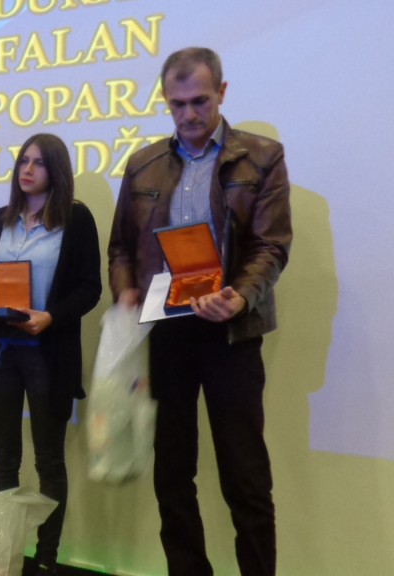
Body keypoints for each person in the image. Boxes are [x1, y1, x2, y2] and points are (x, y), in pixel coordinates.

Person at [108, 47, 292, 576]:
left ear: (222, 93)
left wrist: (239, 295)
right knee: (172, 474)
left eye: (200, 101)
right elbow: (121, 248)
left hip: (231, 332)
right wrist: (125, 291)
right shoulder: (143, 162)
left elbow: (271, 245)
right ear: (166, 100)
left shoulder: (262, 157)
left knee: (245, 477)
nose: (188, 114)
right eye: (178, 103)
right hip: (166, 335)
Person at [0, 133, 101, 575]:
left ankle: (46, 558)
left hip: (48, 355)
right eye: (23, 160)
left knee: (49, 461)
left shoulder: (76, 219)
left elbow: (89, 288)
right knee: (4, 460)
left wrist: (51, 317)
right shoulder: (0, 219)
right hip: (2, 353)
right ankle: (3, 554)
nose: (27, 169)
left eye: (38, 163)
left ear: (56, 170)